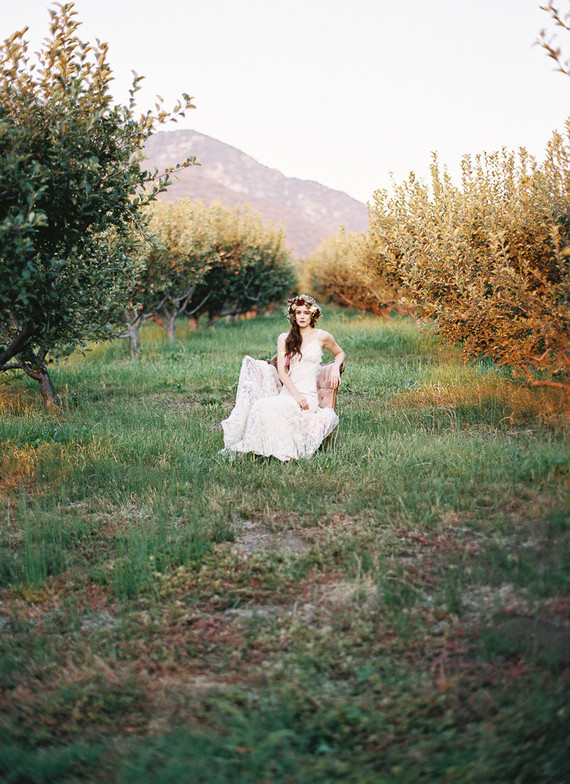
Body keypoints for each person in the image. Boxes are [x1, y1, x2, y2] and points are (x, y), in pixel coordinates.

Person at [220, 295, 346, 461]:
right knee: (261, 405)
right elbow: (282, 372)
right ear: (293, 315)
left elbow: (340, 353)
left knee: (277, 408)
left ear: (313, 315)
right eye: (298, 312)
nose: (302, 316)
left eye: (306, 312)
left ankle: (286, 454)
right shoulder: (284, 338)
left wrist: (336, 367)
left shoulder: (322, 336)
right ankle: (261, 450)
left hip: (308, 396)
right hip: (290, 393)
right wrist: (296, 395)